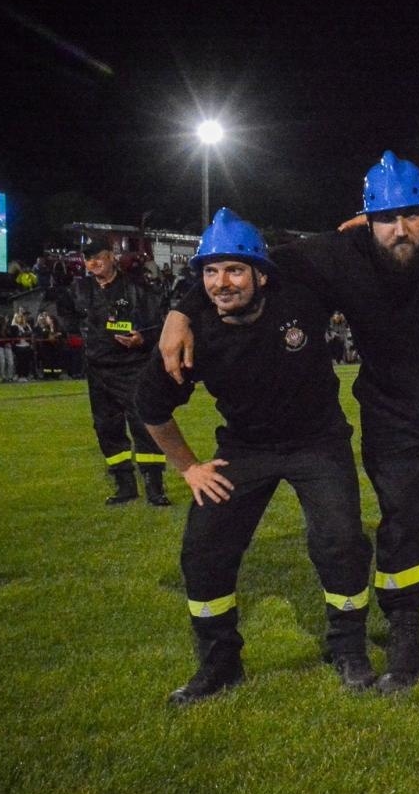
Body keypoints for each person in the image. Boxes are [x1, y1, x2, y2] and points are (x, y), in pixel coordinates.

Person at [163, 152, 419, 690]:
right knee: (400, 518)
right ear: (366, 220)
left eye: (411, 215)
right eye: (386, 217)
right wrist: (182, 308)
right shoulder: (339, 253)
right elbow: (241, 265)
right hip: (390, 408)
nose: (400, 229)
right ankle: (405, 632)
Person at [138, 209, 376, 704]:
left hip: (318, 442)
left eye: (234, 270)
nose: (221, 283)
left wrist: (383, 215)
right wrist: (189, 468)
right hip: (244, 449)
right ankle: (220, 663)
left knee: (342, 543)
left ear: (262, 275)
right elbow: (150, 408)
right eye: (210, 271)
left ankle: (348, 649)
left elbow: (342, 242)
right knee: (203, 549)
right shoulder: (194, 331)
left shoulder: (300, 291)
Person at [58, 243, 171, 505]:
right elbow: (65, 313)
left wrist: (142, 339)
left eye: (98, 258)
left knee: (143, 424)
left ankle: (155, 487)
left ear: (111, 257)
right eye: (89, 259)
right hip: (98, 369)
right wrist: (77, 333)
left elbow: (159, 325)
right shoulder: (79, 289)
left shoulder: (136, 288)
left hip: (133, 366)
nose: (94, 263)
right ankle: (124, 485)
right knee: (106, 426)